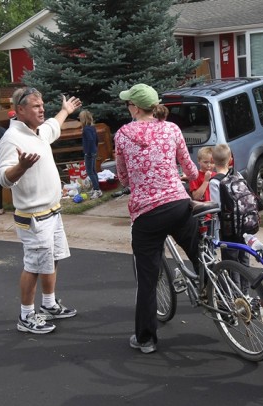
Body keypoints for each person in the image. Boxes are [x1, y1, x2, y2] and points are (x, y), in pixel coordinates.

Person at [114, 83, 200, 354]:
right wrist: (188, 179)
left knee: (148, 278)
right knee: (199, 253)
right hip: (178, 204)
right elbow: (190, 167)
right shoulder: (172, 129)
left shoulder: (123, 134)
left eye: (128, 104)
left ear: (136, 108)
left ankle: (146, 338)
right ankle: (215, 291)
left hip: (147, 213)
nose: (127, 107)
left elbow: (123, 176)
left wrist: (138, 178)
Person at [0, 86, 82, 335]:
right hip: (33, 217)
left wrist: (65, 110)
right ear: (20, 110)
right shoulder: (11, 139)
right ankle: (26, 316)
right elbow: (3, 178)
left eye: (42, 104)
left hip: (52, 212)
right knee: (33, 265)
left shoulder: (38, 132)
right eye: (36, 106)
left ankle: (48, 304)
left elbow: (54, 125)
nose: (42, 108)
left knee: (52, 259)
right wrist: (21, 167)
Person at [209, 144, 250, 289]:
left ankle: (235, 296)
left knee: (231, 263)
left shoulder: (215, 182)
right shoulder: (237, 175)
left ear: (212, 160)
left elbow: (216, 208)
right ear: (230, 159)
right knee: (244, 259)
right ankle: (245, 293)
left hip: (228, 229)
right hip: (244, 225)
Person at [79, 109, 102, 199]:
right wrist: (95, 149)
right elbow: (96, 139)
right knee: (93, 171)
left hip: (89, 152)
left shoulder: (85, 129)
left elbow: (91, 140)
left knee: (89, 172)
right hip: (93, 151)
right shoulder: (92, 127)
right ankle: (96, 188)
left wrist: (88, 152)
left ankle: (97, 190)